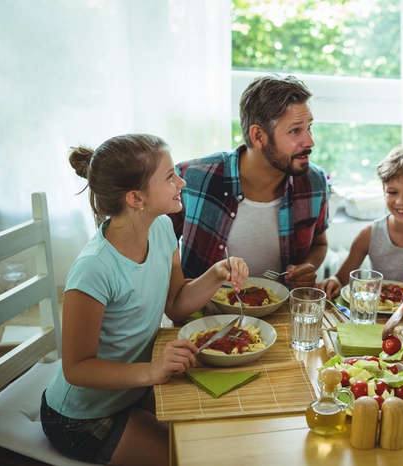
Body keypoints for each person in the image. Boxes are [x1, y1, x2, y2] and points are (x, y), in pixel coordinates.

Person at [41, 134, 249, 465]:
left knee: (221, 437)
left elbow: (175, 303)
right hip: (81, 417)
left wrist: (216, 273)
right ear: (136, 198)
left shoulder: (163, 228)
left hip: (134, 391)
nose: (181, 181)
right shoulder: (94, 268)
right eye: (169, 176)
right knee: (192, 457)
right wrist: (153, 371)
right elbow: (76, 369)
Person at [169, 74, 330, 289]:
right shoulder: (190, 178)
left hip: (281, 314)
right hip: (204, 316)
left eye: (309, 127)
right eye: (295, 131)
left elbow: (320, 244)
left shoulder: (314, 182)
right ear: (258, 136)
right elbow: (158, 249)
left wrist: (306, 267)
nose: (310, 141)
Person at [317, 147, 403, 299]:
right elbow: (341, 279)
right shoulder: (369, 235)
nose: (401, 201)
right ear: (384, 191)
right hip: (377, 318)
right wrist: (333, 281)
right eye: (392, 192)